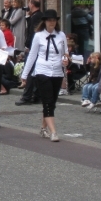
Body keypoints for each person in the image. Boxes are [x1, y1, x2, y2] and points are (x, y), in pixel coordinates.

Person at [21, 9, 69, 142]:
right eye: (49, 20)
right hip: (42, 70)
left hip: (57, 71)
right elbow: (32, 56)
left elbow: (65, 54)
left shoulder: (61, 35)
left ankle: (43, 128)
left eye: (53, 20)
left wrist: (66, 60)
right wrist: (25, 74)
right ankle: (53, 132)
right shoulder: (38, 36)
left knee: (52, 102)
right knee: (47, 101)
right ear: (45, 22)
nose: (51, 22)